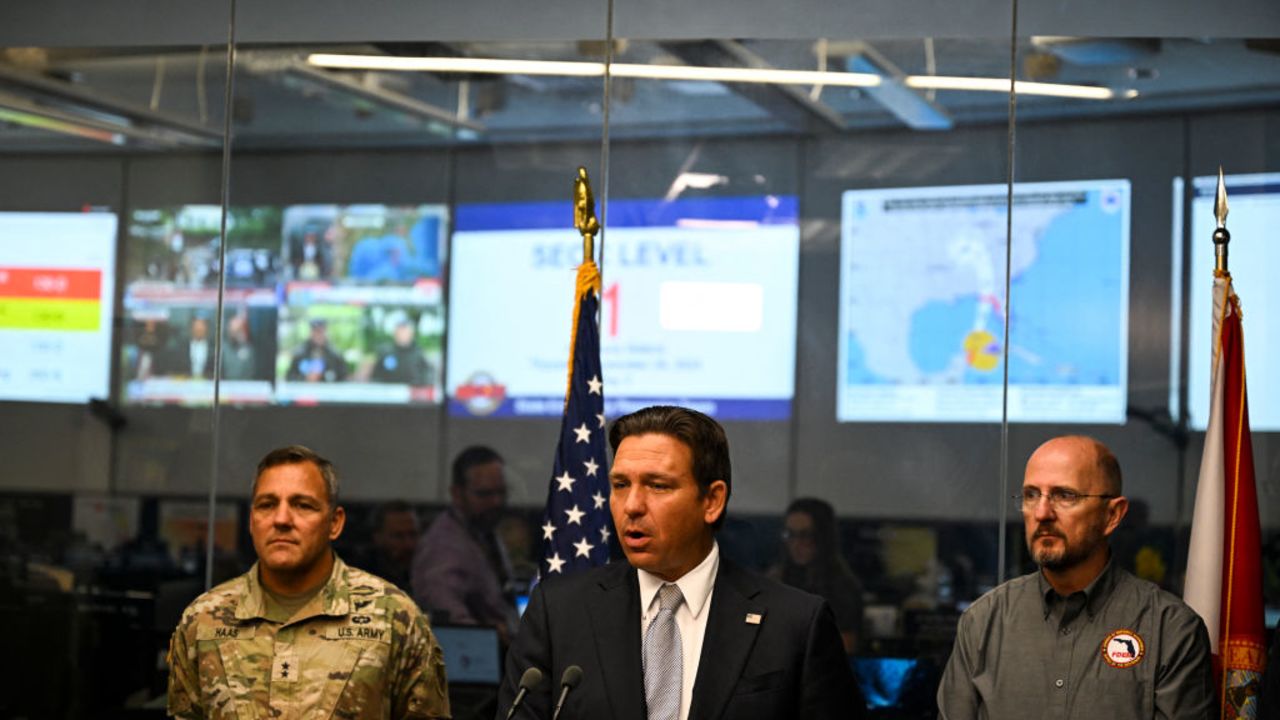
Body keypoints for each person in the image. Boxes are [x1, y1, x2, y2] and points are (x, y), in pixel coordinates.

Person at [497, 405, 862, 720]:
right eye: (621, 484)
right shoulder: (559, 611)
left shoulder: (795, 623)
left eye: (657, 485)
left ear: (712, 501)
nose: (632, 505)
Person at [937, 435, 1215, 719]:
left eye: (1065, 496)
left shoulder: (1169, 629)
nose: (1042, 513)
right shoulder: (984, 622)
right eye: (1031, 495)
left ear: (1113, 515)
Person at [166, 445, 450, 719]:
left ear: (335, 523)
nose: (281, 519)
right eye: (267, 505)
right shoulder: (203, 620)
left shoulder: (393, 618)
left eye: (303, 505)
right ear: (252, 521)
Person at [411, 445, 516, 637]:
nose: (496, 502)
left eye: (501, 492)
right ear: (457, 494)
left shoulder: (482, 529)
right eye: (484, 494)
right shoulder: (442, 547)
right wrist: (494, 635)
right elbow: (453, 625)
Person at [769, 497, 865, 654]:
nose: (796, 544)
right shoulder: (779, 579)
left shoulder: (841, 587)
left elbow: (844, 648)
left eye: (805, 535)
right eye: (790, 535)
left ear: (822, 537)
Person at [350, 500, 420, 593]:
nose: (408, 544)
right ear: (378, 537)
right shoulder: (362, 579)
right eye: (398, 536)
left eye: (412, 534)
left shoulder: (426, 570)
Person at [371, 313, 434, 386]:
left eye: (405, 330)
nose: (402, 333)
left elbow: (428, 377)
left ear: (411, 333)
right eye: (399, 329)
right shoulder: (385, 352)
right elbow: (376, 377)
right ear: (394, 332)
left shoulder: (419, 354)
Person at [285, 318, 348, 382]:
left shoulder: (335, 356)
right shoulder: (299, 354)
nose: (318, 335)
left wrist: (322, 377)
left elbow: (343, 377)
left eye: (321, 331)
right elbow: (290, 377)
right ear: (311, 332)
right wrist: (305, 378)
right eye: (316, 331)